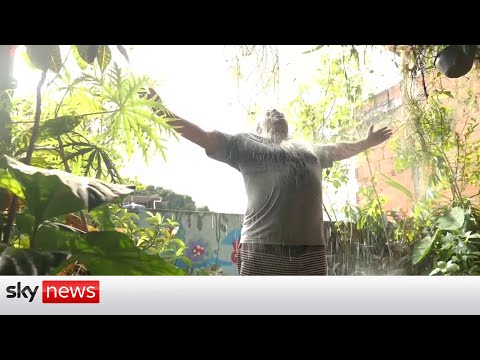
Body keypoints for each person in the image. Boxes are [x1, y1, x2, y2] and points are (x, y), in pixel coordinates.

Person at [143, 88, 392, 275]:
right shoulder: (245, 143)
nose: (275, 112)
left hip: (312, 254)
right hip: (263, 251)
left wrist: (366, 143)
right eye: (268, 113)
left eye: (279, 112)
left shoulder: (307, 149)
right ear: (259, 127)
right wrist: (161, 110)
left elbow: (339, 149)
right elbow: (203, 137)